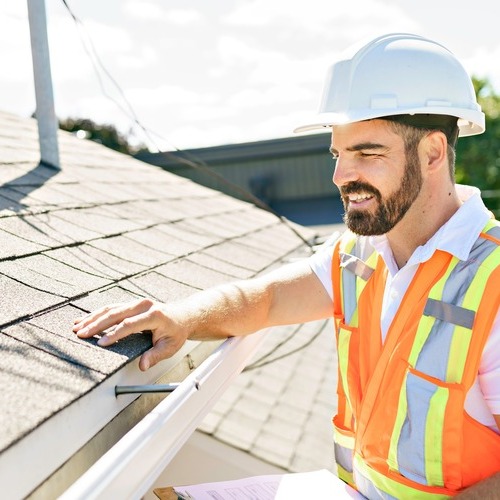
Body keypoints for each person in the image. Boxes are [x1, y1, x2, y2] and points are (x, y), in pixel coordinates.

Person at [73, 33, 500, 498]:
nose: (340, 176)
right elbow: (268, 299)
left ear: (433, 153)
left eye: (367, 153)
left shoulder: (491, 280)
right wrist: (181, 317)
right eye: (338, 153)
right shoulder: (361, 255)